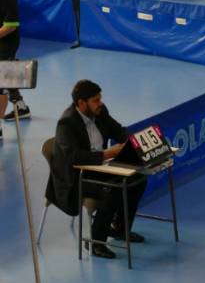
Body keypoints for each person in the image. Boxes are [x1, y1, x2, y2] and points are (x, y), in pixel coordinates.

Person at [44, 79, 147, 259]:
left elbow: (119, 131)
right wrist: (108, 154)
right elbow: (74, 157)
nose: (100, 103)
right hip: (74, 177)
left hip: (99, 168)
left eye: (100, 99)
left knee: (138, 179)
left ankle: (119, 228)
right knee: (112, 189)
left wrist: (134, 142)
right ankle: (95, 242)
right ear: (81, 103)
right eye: (96, 100)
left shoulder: (100, 112)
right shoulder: (67, 123)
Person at [0, 0, 31, 125]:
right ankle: (21, 107)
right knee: (5, 76)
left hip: (6, 42)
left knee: (1, 81)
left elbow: (11, 26)